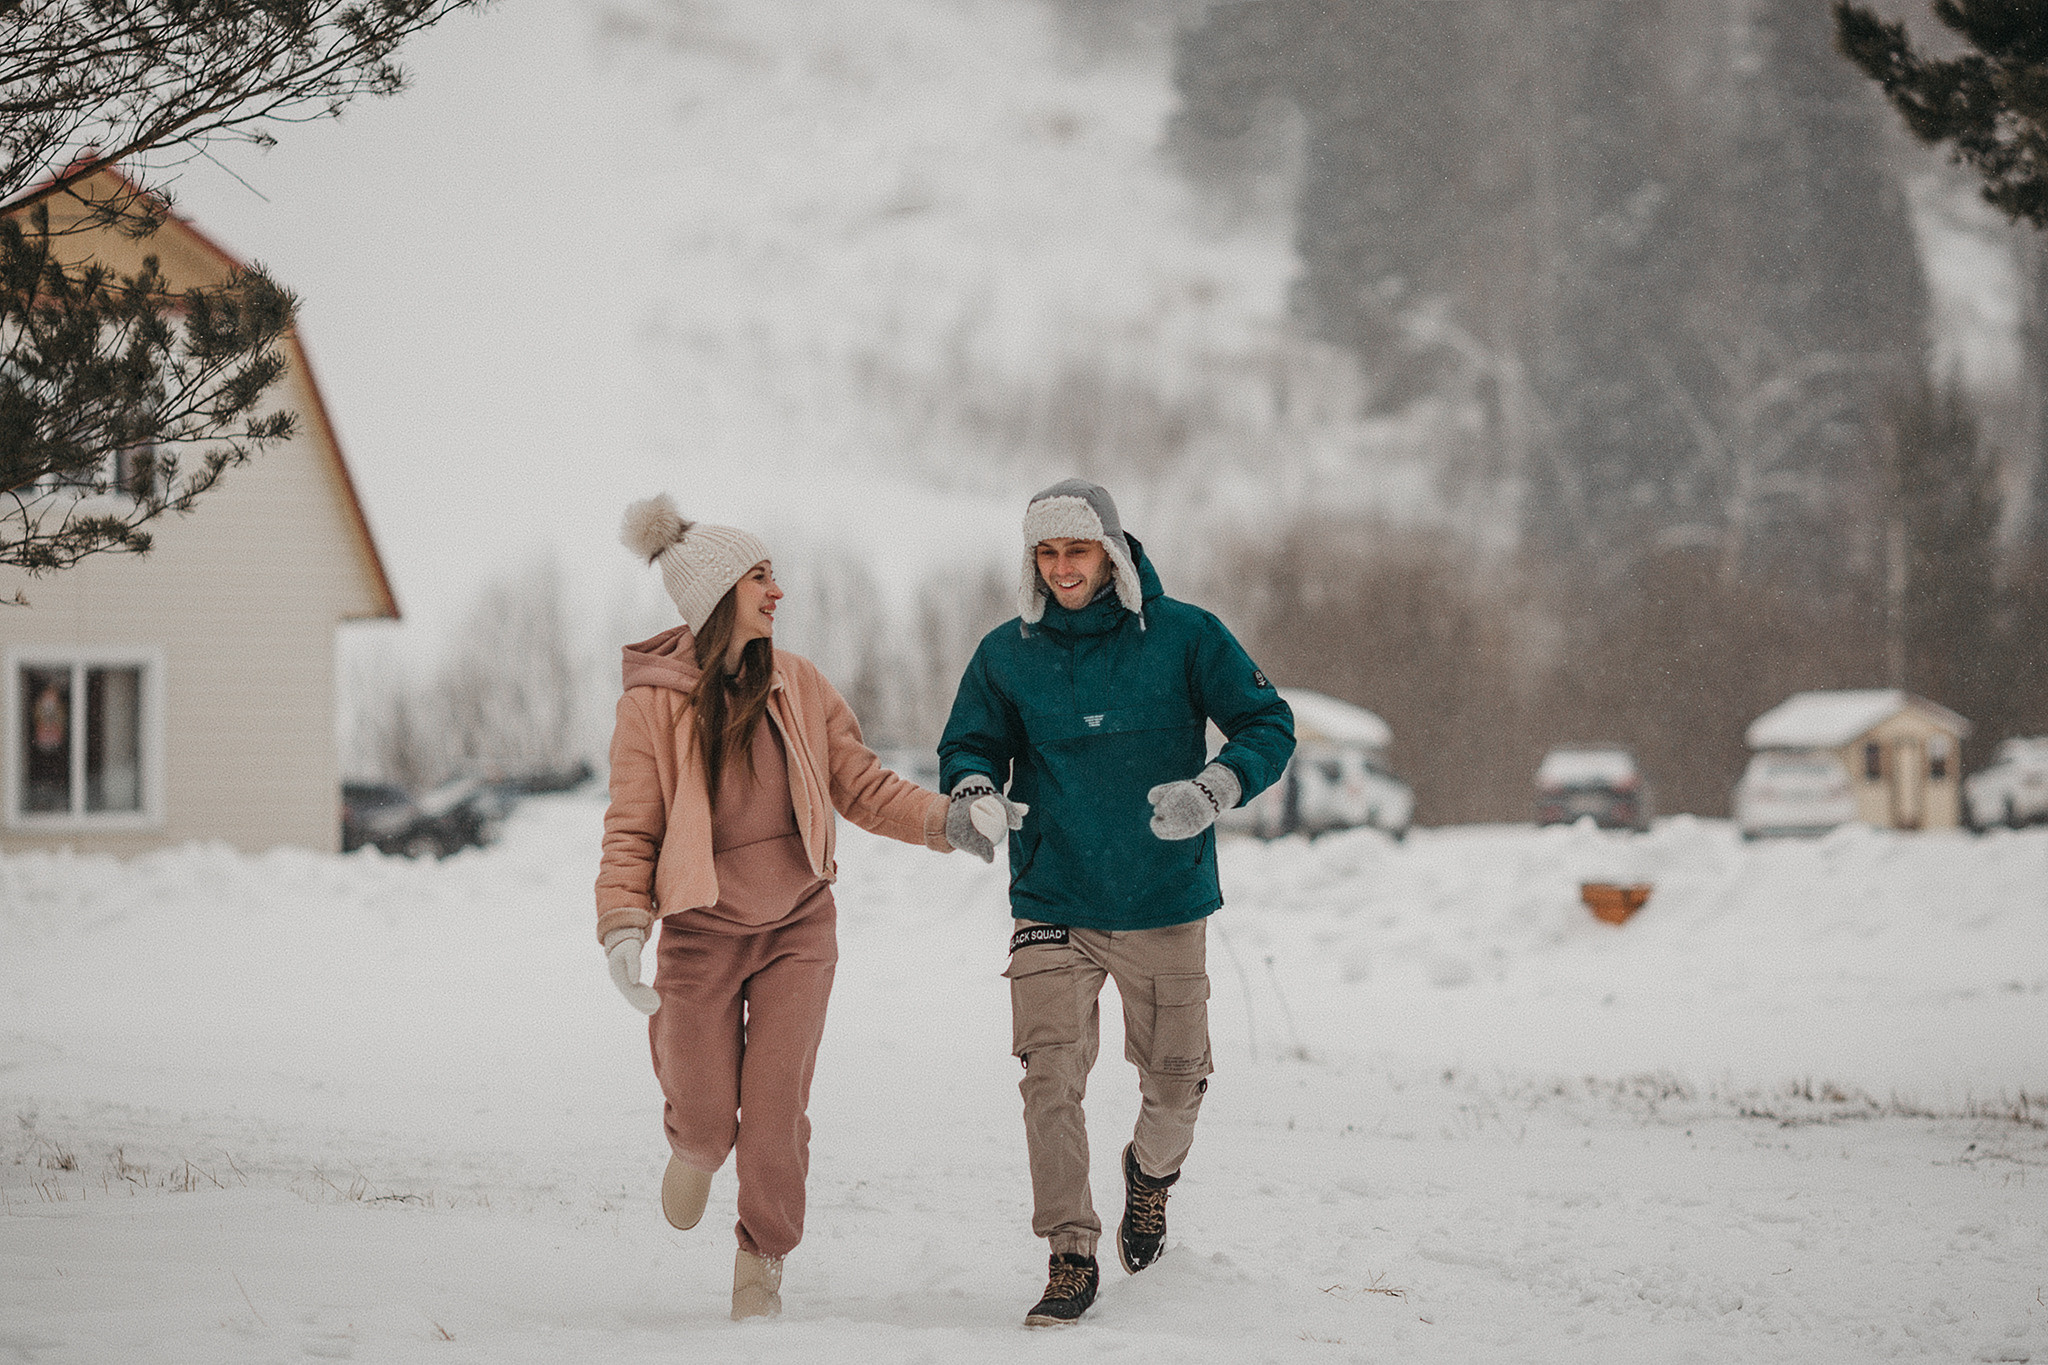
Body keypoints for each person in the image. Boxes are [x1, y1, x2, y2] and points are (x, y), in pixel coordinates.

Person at [938, 478, 1295, 1327]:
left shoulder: (1186, 636)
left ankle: (1151, 1176)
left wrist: (1214, 787)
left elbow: (1267, 723)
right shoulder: (1006, 653)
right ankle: (1069, 1252)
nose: (1063, 568)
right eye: (1047, 552)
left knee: (1176, 1083)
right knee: (1048, 1078)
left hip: (1163, 898)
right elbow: (968, 743)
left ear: (1113, 550)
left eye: (1078, 549)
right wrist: (975, 790)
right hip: (1053, 895)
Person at [595, 494, 956, 1321]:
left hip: (798, 924)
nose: (777, 593)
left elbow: (860, 784)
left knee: (776, 1112)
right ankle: (694, 1142)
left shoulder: (797, 683)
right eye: (761, 578)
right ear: (720, 595)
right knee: (708, 1109)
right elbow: (632, 828)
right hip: (700, 931)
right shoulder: (651, 705)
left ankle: (760, 1262)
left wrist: (944, 821)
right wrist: (623, 925)